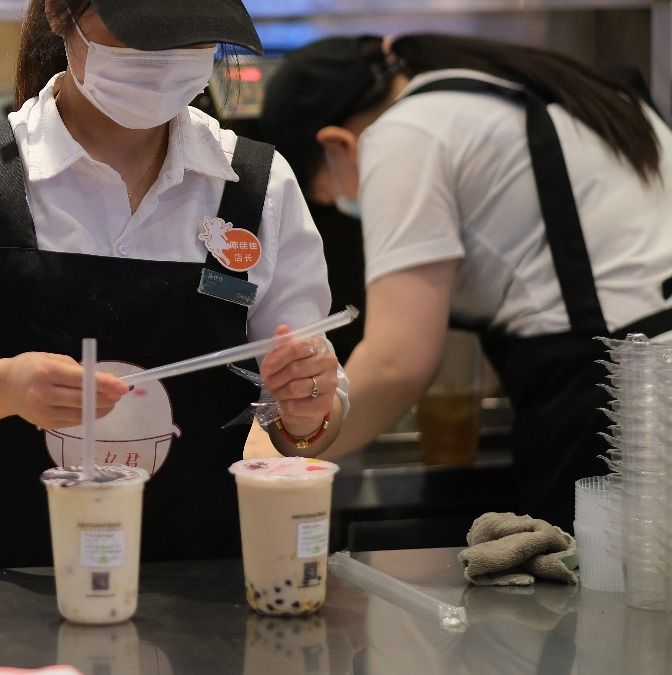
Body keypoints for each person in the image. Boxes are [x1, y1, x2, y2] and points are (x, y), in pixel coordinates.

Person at [0, 0, 348, 569]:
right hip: (15, 600)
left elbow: (308, 424)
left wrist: (306, 402)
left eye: (191, 41)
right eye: (143, 39)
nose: (165, 61)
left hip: (207, 596)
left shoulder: (257, 186)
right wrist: (5, 386)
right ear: (58, 14)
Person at [258, 33, 672, 529]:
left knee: (608, 598)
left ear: (336, 145)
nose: (346, 209)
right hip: (642, 380)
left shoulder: (403, 133)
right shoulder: (538, 89)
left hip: (617, 402)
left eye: (328, 197)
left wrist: (279, 453)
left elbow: (397, 363)